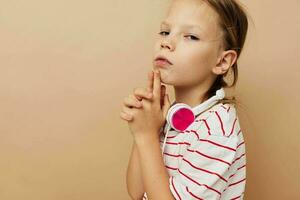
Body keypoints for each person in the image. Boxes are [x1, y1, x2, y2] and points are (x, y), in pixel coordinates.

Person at [120, 0, 249, 199]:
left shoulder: (216, 130)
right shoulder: (172, 116)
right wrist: (147, 132)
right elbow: (136, 192)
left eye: (191, 36)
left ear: (222, 61)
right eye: (165, 32)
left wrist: (146, 136)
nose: (166, 42)